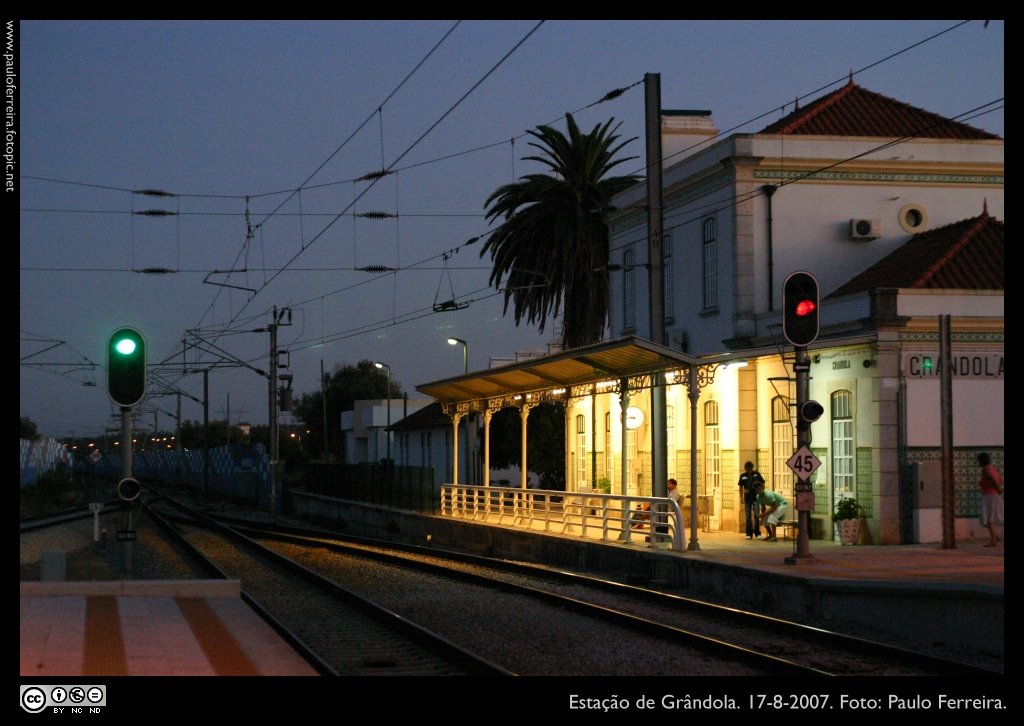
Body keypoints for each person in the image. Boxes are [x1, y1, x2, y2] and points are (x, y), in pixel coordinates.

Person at [977, 453, 1003, 547]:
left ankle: (993, 541)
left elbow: (995, 481)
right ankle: (995, 536)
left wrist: (998, 489)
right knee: (988, 518)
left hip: (989, 496)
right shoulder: (993, 468)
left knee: (989, 519)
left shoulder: (985, 470)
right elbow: (1000, 480)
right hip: (993, 495)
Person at [738, 461, 765, 539]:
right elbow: (740, 487)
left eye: (750, 470)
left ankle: (757, 533)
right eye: (747, 470)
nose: (748, 471)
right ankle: (749, 534)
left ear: (752, 468)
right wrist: (741, 498)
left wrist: (761, 493)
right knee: (748, 517)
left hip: (756, 498)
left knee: (756, 515)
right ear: (745, 469)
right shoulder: (743, 476)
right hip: (747, 499)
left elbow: (763, 483)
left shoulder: (756, 474)